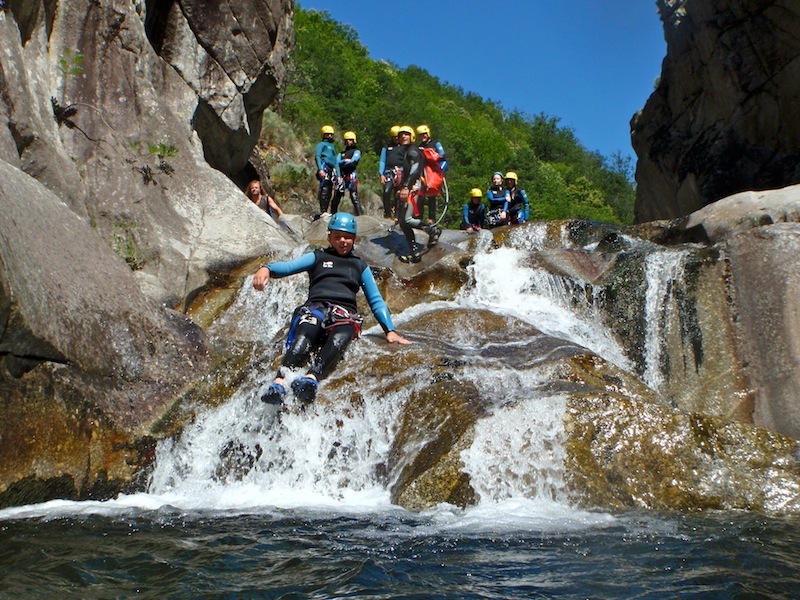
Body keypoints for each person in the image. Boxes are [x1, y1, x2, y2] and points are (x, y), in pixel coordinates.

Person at [252, 212, 411, 405]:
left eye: (347, 237)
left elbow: (375, 299)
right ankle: (280, 381)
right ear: (329, 237)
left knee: (342, 335)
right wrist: (266, 268)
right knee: (306, 331)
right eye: (337, 237)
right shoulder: (318, 257)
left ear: (354, 239)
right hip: (316, 309)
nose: (342, 241)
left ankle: (311, 378)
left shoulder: (359, 266)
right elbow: (288, 267)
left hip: (344, 315)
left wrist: (390, 330)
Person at [393, 125, 442, 263]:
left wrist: (406, 187)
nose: (403, 136)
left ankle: (433, 230)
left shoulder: (413, 151)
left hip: (415, 188)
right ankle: (414, 252)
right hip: (413, 187)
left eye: (406, 134)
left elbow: (415, 169)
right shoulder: (408, 152)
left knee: (406, 219)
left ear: (412, 137)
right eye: (401, 134)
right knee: (403, 222)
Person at [416, 125, 447, 223]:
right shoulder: (419, 146)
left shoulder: (435, 144)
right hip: (423, 171)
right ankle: (419, 216)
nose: (423, 136)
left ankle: (431, 218)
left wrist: (440, 171)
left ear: (428, 133)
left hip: (433, 171)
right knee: (420, 193)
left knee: (432, 194)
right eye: (421, 135)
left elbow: (442, 156)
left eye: (424, 134)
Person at [331, 131, 363, 215]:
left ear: (353, 141)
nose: (349, 142)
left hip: (351, 175)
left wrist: (343, 162)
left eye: (350, 140)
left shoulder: (356, 151)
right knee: (337, 196)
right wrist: (345, 161)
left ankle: (360, 215)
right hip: (341, 175)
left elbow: (354, 161)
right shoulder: (341, 153)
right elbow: (336, 162)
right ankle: (333, 214)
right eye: (347, 140)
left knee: (354, 196)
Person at [378, 125, 404, 218]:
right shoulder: (387, 147)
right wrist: (381, 174)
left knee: (399, 195)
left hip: (401, 172)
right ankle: (387, 214)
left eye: (398, 136)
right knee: (386, 191)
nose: (396, 138)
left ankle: (397, 215)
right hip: (389, 172)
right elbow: (382, 160)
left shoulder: (404, 147)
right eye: (395, 137)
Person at [315, 125, 341, 215]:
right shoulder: (321, 145)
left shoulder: (332, 146)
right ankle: (323, 211)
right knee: (324, 188)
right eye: (327, 134)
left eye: (331, 134)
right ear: (324, 135)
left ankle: (327, 210)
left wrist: (339, 175)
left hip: (331, 169)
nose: (329, 136)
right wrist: (320, 169)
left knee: (330, 189)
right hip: (324, 166)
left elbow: (335, 161)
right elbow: (318, 156)